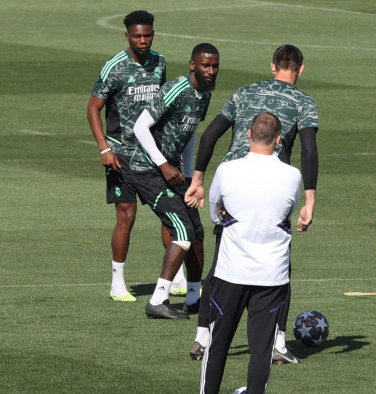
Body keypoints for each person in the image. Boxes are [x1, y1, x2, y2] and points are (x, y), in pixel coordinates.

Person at [184, 44, 318, 363]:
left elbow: (209, 136)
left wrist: (198, 180)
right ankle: (277, 344)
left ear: (273, 66)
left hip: (232, 182)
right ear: (301, 69)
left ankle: (202, 338)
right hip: (272, 186)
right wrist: (309, 200)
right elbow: (309, 151)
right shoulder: (304, 102)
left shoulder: (245, 92)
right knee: (278, 267)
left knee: (220, 266)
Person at [194, 112, 301, 394]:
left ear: (247, 136)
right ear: (279, 141)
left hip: (230, 272)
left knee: (217, 346)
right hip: (272, 275)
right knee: (261, 350)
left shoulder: (227, 170)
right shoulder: (292, 175)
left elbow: (215, 211)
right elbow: (288, 210)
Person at [87, 10, 187, 301]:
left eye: (148, 35)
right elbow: (93, 108)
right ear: (127, 35)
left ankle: (178, 278)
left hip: (155, 155)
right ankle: (117, 283)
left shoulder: (160, 62)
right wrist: (104, 148)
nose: (143, 40)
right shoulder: (114, 68)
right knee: (126, 216)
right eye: (137, 36)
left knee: (170, 214)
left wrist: (172, 149)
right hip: (122, 154)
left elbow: (164, 107)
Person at [130, 43, 220, 319]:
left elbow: (189, 134)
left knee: (196, 231)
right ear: (192, 65)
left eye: (215, 66)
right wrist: (163, 164)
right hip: (146, 170)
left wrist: (192, 175)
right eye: (205, 65)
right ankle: (158, 300)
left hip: (174, 172)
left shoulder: (204, 94)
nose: (211, 71)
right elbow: (139, 127)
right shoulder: (175, 89)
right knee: (181, 231)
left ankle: (194, 298)